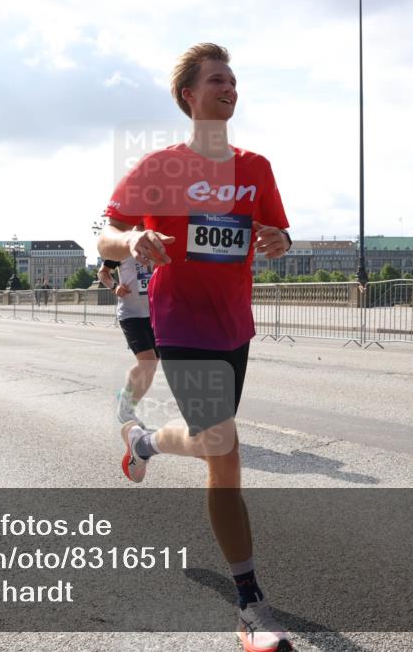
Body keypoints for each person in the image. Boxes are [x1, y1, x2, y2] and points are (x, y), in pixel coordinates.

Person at [98, 43, 293, 652]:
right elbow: (106, 232)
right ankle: (251, 607)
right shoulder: (161, 167)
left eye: (233, 80)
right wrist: (133, 240)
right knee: (225, 446)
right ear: (189, 95)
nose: (229, 88)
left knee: (214, 445)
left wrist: (279, 241)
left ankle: (144, 442)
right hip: (179, 320)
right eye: (216, 80)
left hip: (234, 324)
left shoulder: (255, 167)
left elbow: (278, 231)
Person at [98, 254, 158, 428]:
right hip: (131, 314)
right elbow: (103, 273)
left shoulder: (156, 245)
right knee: (147, 362)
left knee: (152, 366)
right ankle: (125, 406)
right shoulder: (122, 248)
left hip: (154, 313)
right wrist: (114, 286)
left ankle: (129, 406)